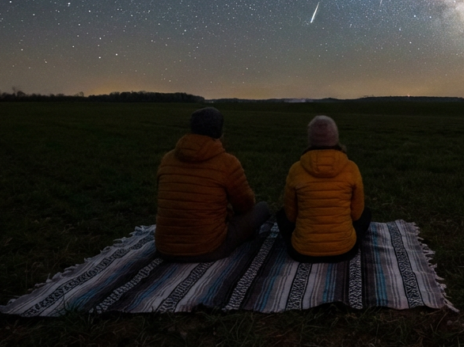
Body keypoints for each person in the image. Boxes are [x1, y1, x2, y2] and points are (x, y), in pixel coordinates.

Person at [155, 107, 269, 262]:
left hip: (165, 249)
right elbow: (245, 205)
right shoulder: (227, 162)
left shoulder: (167, 159)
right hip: (208, 249)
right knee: (262, 209)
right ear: (220, 132)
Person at [277, 115, 371, 262]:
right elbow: (357, 214)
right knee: (366, 213)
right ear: (336, 138)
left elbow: (290, 216)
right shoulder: (351, 168)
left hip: (301, 252)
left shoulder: (296, 169)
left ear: (310, 139)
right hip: (345, 251)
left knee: (281, 215)